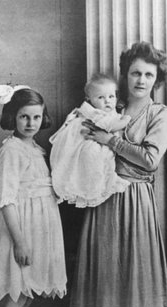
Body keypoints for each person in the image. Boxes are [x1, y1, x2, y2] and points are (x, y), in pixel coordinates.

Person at [65, 41, 167, 307]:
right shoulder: (110, 104)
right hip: (102, 202)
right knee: (106, 281)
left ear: (157, 79)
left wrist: (109, 140)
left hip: (136, 203)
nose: (141, 79)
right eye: (135, 73)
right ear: (125, 75)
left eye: (148, 74)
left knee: (138, 285)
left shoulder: (160, 114)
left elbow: (149, 160)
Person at [0, 85, 67, 307]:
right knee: (17, 297)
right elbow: (6, 199)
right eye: (24, 117)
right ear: (13, 117)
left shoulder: (35, 149)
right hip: (21, 231)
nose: (30, 123)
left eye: (36, 117)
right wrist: (20, 241)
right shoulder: (11, 150)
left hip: (39, 228)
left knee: (26, 297)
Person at [49, 73, 130, 207]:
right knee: (92, 163)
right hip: (82, 143)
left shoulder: (104, 110)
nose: (107, 101)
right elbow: (112, 125)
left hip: (92, 142)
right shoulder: (94, 113)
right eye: (100, 97)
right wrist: (126, 119)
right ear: (89, 99)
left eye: (111, 96)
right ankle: (92, 189)